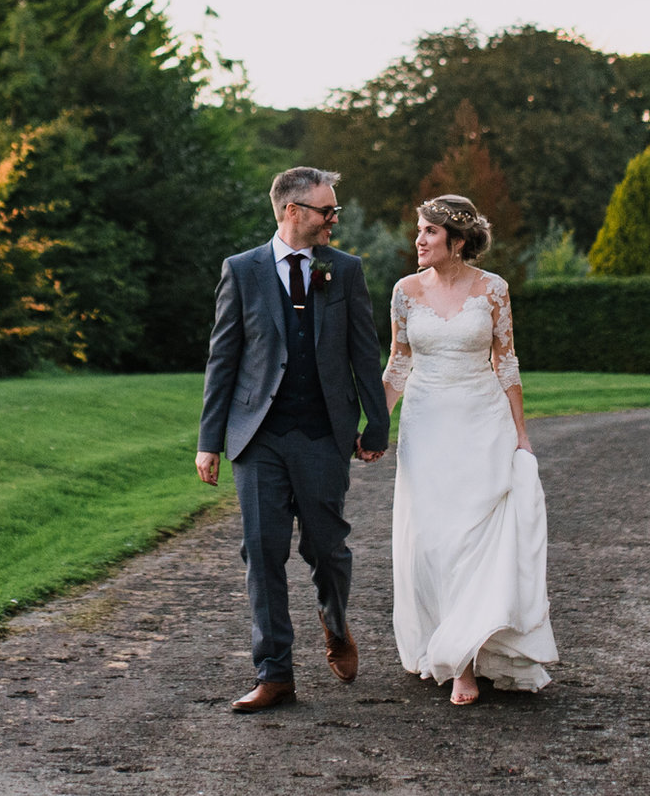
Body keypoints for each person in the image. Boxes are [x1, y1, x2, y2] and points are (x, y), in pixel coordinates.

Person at [197, 166, 394, 712]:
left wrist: (375, 425)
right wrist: (208, 440)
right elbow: (223, 359)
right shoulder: (241, 271)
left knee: (326, 549)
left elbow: (363, 352)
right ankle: (274, 672)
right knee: (261, 552)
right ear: (293, 212)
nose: (334, 220)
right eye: (327, 211)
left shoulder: (345, 270)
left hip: (322, 433)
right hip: (257, 436)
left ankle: (334, 620)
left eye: (335, 211)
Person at [383, 193, 558, 703]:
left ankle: (465, 661)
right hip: (425, 426)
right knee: (431, 544)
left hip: (482, 424)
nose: (418, 240)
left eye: (428, 232)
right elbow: (398, 364)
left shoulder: (494, 290)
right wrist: (374, 424)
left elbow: (506, 363)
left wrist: (521, 435)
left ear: (456, 242)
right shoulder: (404, 291)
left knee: (473, 540)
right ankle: (444, 642)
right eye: (418, 231)